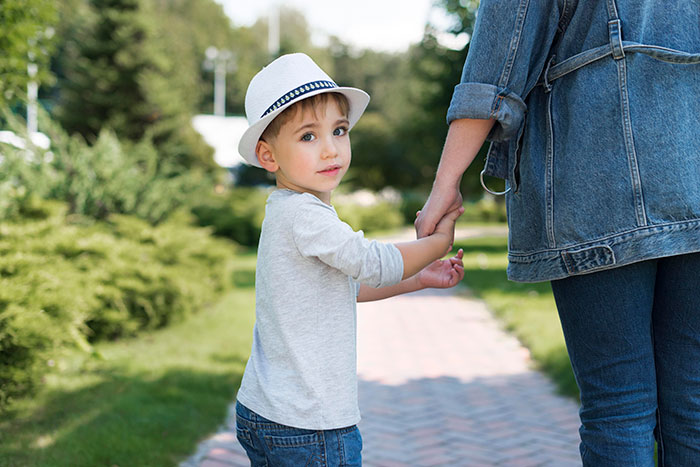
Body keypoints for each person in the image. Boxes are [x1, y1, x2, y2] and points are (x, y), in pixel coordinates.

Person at [415, 0, 700, 465]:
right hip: (693, 169)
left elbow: (497, 61)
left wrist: (445, 184)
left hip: (595, 179)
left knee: (619, 406)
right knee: (692, 406)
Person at [233, 53, 465, 466]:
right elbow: (371, 261)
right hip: (309, 426)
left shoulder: (286, 210)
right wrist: (438, 241)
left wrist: (418, 277)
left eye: (339, 130)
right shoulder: (304, 214)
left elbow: (345, 287)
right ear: (269, 156)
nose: (330, 149)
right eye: (308, 136)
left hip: (270, 412)